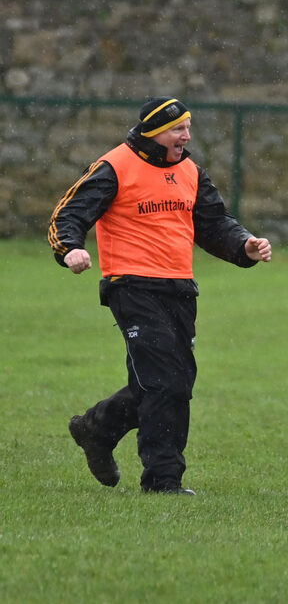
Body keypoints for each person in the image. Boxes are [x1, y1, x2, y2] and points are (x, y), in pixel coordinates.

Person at [48, 97, 272, 495]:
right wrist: (70, 248)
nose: (186, 136)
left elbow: (214, 222)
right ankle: (162, 481)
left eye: (187, 127)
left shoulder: (190, 172)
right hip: (131, 287)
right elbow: (68, 213)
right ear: (154, 133)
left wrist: (244, 246)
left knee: (168, 385)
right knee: (164, 383)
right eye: (177, 129)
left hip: (180, 289)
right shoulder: (114, 166)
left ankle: (96, 429)